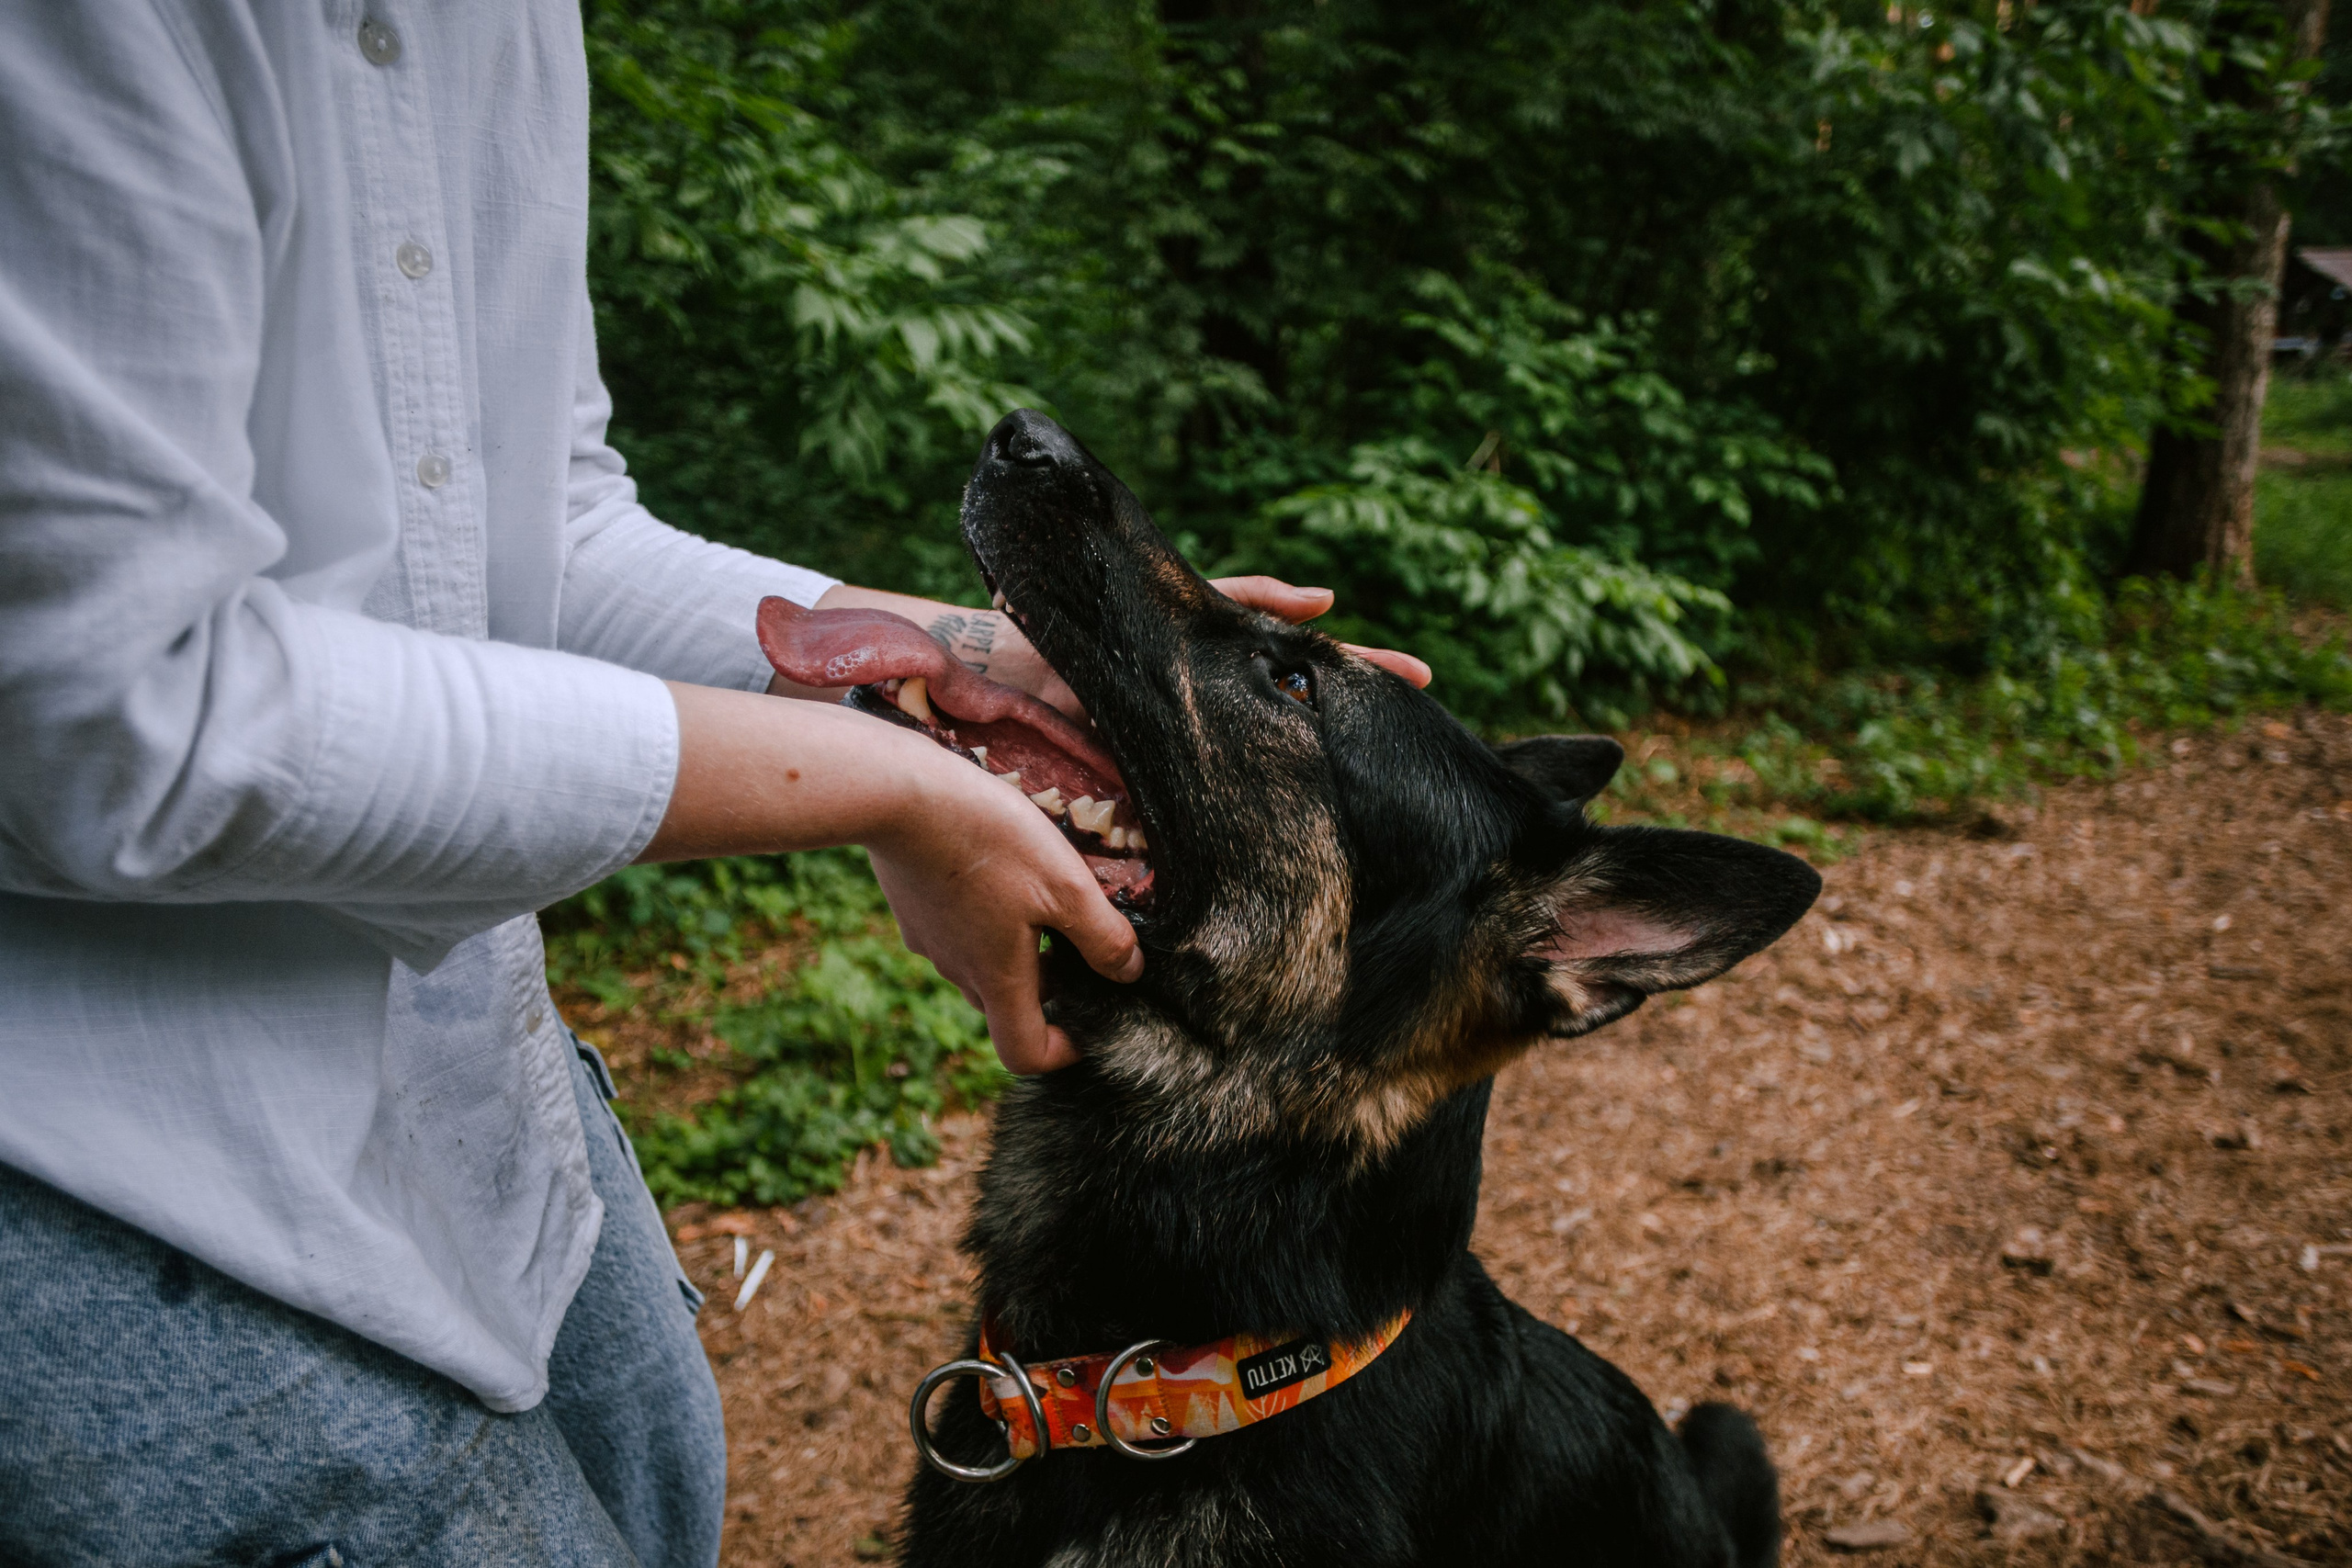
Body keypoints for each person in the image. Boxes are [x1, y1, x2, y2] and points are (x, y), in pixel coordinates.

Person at [0, 6, 1428, 1566]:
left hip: (474, 1081)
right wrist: (884, 785)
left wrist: (972, 667)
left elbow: (544, 530)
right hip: (124, 1177)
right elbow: (105, 712)